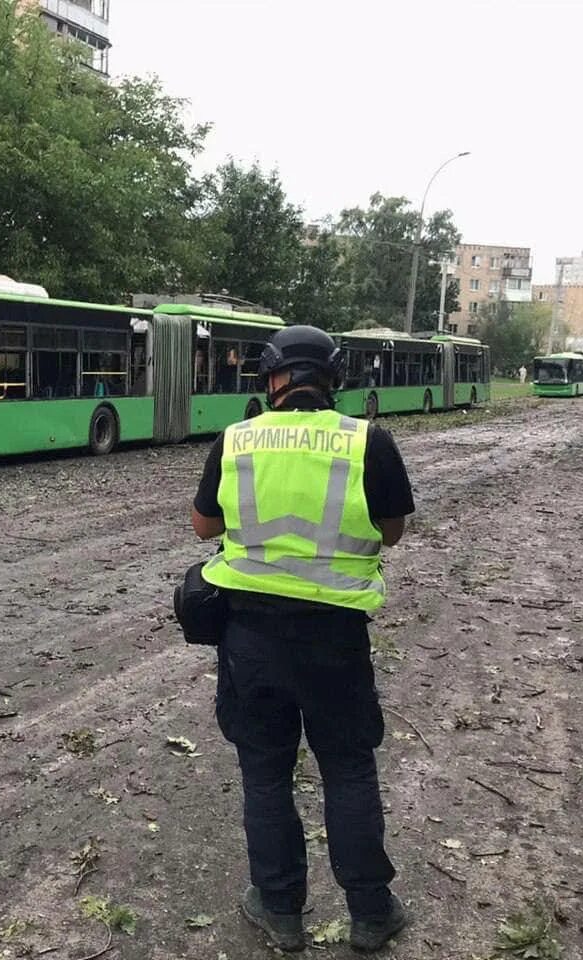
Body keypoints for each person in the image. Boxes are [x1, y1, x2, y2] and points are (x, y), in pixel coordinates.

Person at [190, 325, 414, 954]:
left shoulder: (236, 440)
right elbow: (391, 531)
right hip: (335, 640)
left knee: (265, 774)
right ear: (335, 378)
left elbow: (204, 526)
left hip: (251, 638)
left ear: (272, 378)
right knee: (347, 770)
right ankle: (371, 912)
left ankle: (280, 909)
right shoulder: (367, 440)